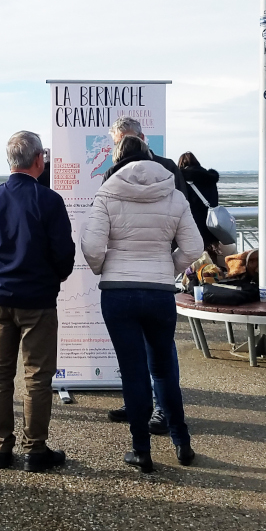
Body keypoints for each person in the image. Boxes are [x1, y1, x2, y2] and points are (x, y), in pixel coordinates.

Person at [83, 136, 204, 473]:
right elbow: (194, 247)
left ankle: (142, 451)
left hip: (119, 293)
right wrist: (169, 267)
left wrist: (105, 267)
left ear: (118, 160)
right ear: (149, 156)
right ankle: (182, 443)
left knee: (134, 373)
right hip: (160, 292)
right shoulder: (174, 194)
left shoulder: (107, 193)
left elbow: (92, 247)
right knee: (164, 370)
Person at [0, 130, 75, 472]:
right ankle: (35, 449)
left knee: (0, 372)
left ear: (10, 162)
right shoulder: (48, 200)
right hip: (38, 298)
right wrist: (53, 279)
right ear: (39, 160)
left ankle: (1, 446)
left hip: (0, 296)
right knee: (37, 375)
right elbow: (64, 254)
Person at [102, 116, 183, 431]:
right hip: (139, 271)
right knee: (135, 347)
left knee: (160, 349)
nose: (120, 146)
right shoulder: (113, 174)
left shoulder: (167, 169)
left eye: (124, 139)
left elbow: (184, 219)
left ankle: (162, 410)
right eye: (116, 140)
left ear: (140, 137)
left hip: (143, 271)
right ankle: (139, 403)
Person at [177, 152, 222, 249]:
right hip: (211, 224)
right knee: (210, 257)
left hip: (192, 224)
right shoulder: (210, 178)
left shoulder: (181, 180)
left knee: (193, 257)